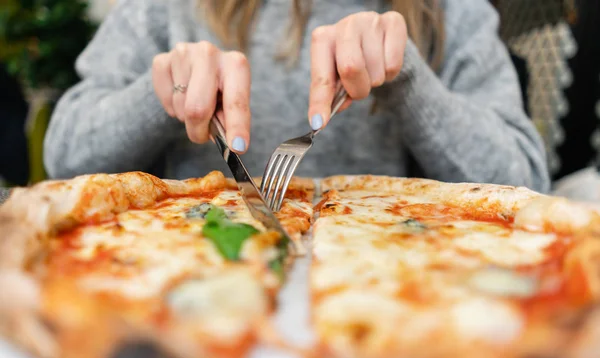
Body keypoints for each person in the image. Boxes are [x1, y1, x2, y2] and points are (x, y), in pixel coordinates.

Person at [43, 0, 551, 193]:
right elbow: (62, 159)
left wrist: (408, 79)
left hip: (388, 290)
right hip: (180, 284)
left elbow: (526, 182)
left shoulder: (453, 12)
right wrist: (162, 96)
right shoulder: (161, 8)